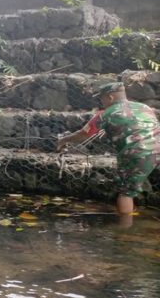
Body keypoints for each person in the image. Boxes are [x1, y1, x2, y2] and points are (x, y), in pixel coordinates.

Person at [57, 82, 160, 214]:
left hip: (139, 153)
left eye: (102, 98)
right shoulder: (144, 107)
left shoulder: (104, 115)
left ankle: (125, 230)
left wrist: (64, 140)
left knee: (125, 193)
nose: (101, 102)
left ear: (110, 97)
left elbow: (82, 134)